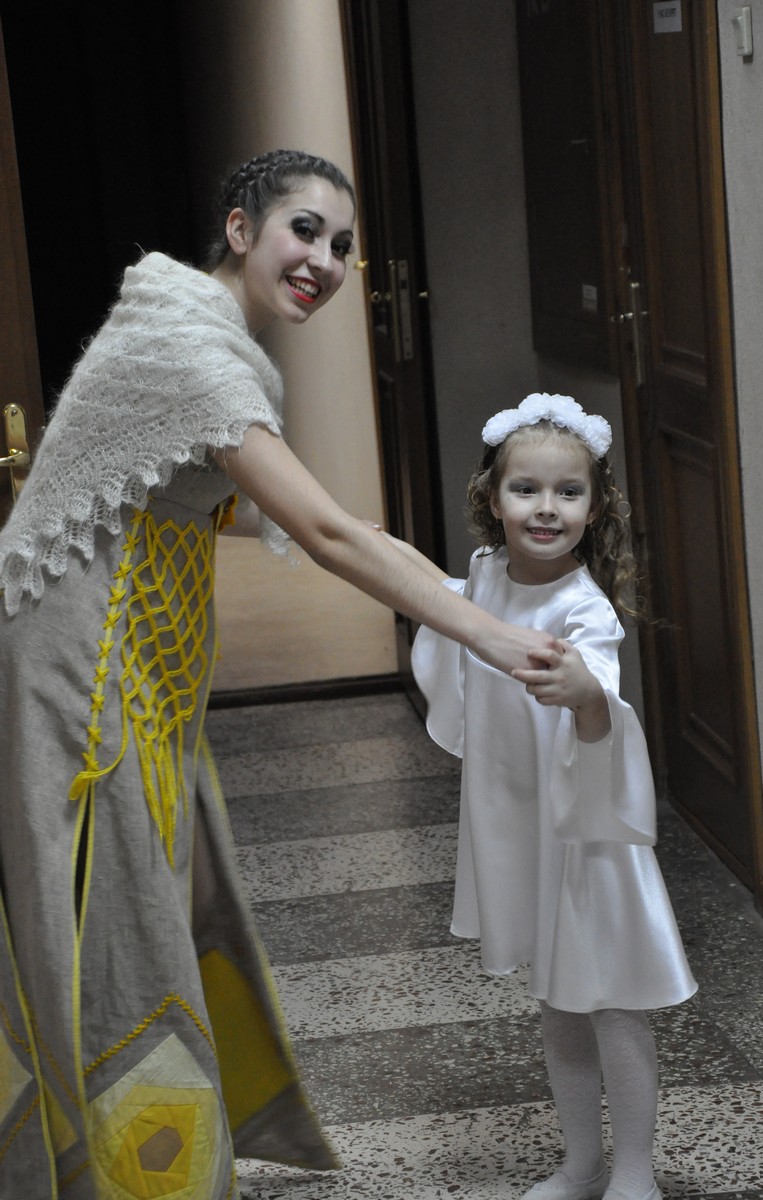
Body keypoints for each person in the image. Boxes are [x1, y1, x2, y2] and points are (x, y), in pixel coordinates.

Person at [0, 151, 554, 1200]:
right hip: (80, 686)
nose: (324, 262)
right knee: (118, 924)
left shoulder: (202, 334)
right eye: (304, 230)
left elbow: (325, 524)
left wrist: (465, 602)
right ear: (240, 230)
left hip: (133, 680)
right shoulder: (187, 350)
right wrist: (486, 635)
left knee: (147, 900)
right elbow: (328, 532)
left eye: (341, 246)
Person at [406, 394, 697, 1200]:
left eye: (568, 492)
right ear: (491, 499)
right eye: (525, 489)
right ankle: (581, 1164)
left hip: (585, 835)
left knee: (610, 1001)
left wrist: (584, 693)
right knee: (558, 1002)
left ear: (594, 507)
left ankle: (633, 1172)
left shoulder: (582, 609)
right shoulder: (483, 577)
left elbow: (601, 707)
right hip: (522, 829)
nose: (546, 508)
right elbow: (434, 598)